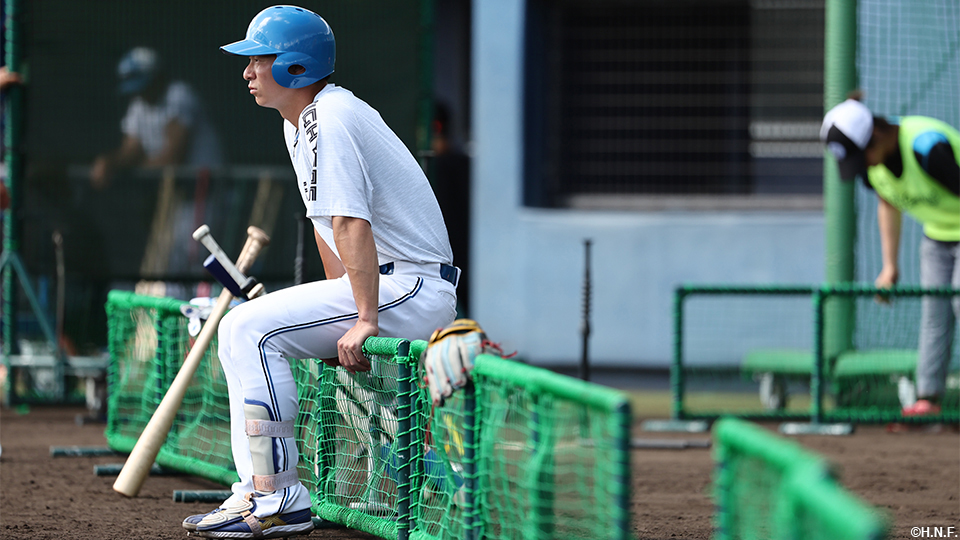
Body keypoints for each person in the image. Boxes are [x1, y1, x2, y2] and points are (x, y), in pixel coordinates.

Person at [181, 6, 458, 538]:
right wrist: (341, 313)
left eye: (258, 60)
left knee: (247, 328)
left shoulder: (329, 116)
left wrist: (363, 319)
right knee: (245, 330)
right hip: (388, 281)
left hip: (411, 285)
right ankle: (262, 490)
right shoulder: (302, 122)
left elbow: (352, 223)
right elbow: (327, 229)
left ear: (294, 68)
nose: (247, 72)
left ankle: (275, 495)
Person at [821, 94, 960, 417]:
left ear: (878, 133)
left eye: (864, 153)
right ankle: (928, 400)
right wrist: (889, 266)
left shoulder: (928, 149)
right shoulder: (874, 168)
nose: (865, 163)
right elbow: (889, 203)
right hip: (936, 236)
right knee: (934, 316)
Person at [90, 46, 223, 188]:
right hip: (177, 190)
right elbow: (132, 149)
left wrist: (134, 169)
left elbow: (172, 158)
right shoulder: (138, 105)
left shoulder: (178, 95)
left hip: (205, 188)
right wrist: (110, 162)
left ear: (157, 76)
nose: (140, 93)